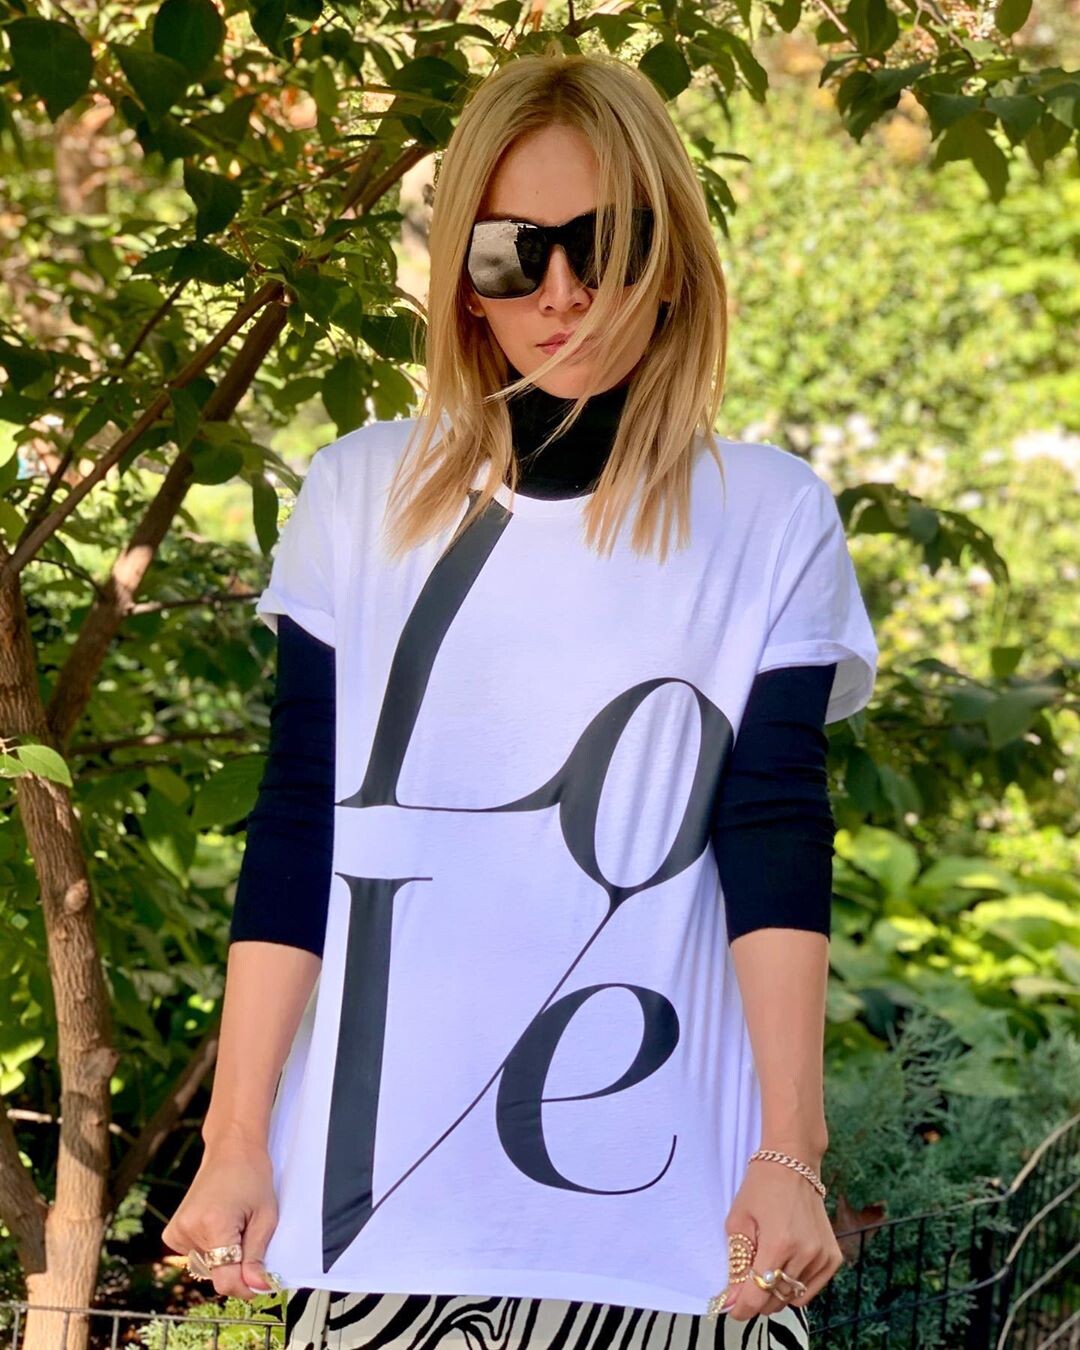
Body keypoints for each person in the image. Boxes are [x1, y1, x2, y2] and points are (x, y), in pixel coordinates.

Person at [162, 48, 878, 1350]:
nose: (562, 291)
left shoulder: (771, 517)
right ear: (462, 278)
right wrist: (235, 1136)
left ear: (672, 259)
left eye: (606, 245)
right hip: (382, 1225)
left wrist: (792, 1150)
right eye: (513, 252)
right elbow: (302, 822)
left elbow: (773, 829)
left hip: (685, 1234)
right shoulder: (358, 496)